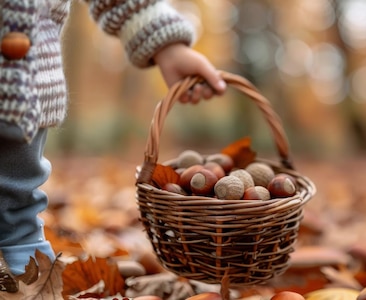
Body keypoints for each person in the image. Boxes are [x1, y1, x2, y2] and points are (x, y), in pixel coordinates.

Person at [0, 0, 227, 285]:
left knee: (16, 205)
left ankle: (25, 261)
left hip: (25, 82)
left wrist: (166, 43)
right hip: (23, 81)